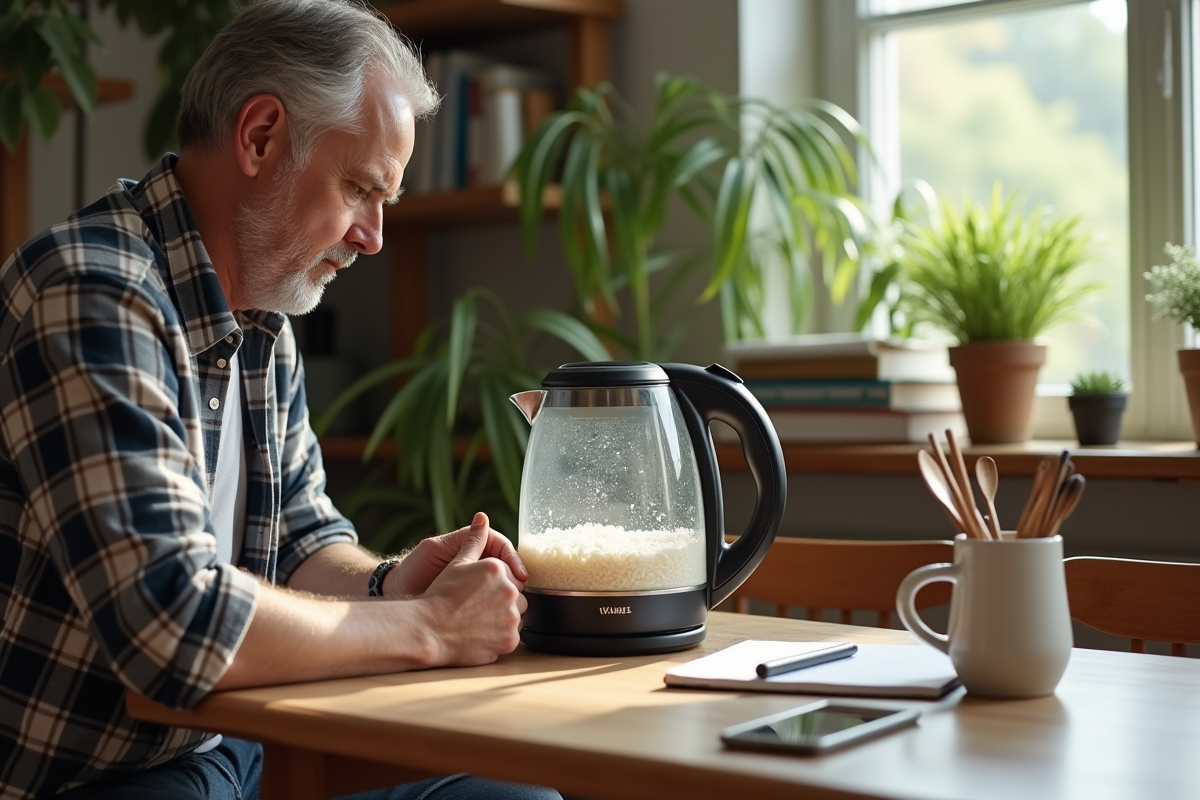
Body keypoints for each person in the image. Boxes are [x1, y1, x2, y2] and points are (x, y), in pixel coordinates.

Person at [0, 1, 560, 798]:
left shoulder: (263, 316)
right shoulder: (92, 293)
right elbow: (171, 624)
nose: (371, 235)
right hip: (92, 778)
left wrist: (392, 583)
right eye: (360, 188)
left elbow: (302, 540)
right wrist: (430, 626)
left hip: (226, 757)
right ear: (260, 136)